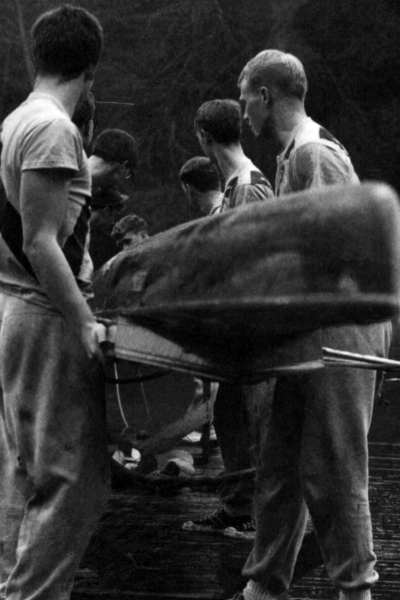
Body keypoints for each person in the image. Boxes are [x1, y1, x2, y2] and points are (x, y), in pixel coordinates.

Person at [228, 49, 392, 600]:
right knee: (280, 462)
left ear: (265, 95)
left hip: (338, 327)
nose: (241, 106)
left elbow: (329, 255)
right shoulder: (292, 156)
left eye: (244, 93)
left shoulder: (314, 155)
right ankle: (265, 586)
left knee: (334, 465)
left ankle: (356, 590)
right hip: (307, 328)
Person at [0, 6, 109, 600]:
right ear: (91, 69)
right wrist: (88, 323)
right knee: (73, 482)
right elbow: (40, 242)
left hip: (20, 312)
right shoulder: (51, 127)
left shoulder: (18, 119)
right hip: (44, 315)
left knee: (24, 477)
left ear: (36, 55)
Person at [182, 100, 274, 540]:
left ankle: (258, 516)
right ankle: (237, 508)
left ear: (204, 137)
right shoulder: (239, 186)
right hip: (239, 332)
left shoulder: (250, 188)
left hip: (254, 334)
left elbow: (254, 268)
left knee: (254, 423)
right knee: (229, 415)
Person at [89, 185, 128, 270]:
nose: (113, 221)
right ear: (106, 211)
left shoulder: (76, 224)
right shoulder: (100, 242)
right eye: (114, 215)